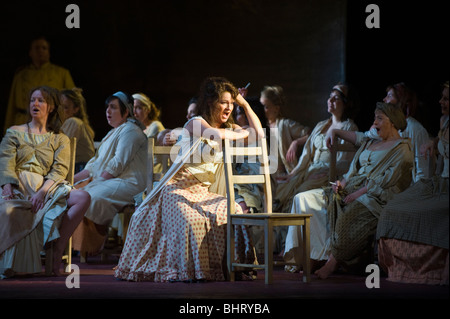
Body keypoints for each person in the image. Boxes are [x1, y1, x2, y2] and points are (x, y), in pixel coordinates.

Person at [114, 77, 265, 282]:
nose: (229, 108)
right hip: (176, 188)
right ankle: (191, 270)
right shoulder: (196, 123)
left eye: (231, 103)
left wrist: (244, 104)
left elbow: (257, 134)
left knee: (233, 210)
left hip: (203, 192)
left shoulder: (228, 129)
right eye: (224, 102)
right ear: (211, 103)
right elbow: (213, 135)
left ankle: (230, 267)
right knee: (189, 219)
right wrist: (239, 134)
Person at [283, 102, 414, 279]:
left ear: (393, 122)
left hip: (373, 196)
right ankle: (311, 256)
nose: (374, 122)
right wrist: (342, 183)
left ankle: (331, 262)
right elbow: (355, 160)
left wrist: (356, 193)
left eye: (380, 119)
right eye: (375, 118)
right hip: (351, 188)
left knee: (348, 215)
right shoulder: (372, 139)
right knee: (303, 198)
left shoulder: (402, 150)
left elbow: (384, 182)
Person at [0, 86, 90, 278]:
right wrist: (8, 186)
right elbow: (5, 161)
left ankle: (58, 249)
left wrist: (42, 192)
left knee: (83, 196)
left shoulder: (59, 139)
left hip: (46, 187)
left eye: (41, 100)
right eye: (33, 100)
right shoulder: (14, 132)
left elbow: (59, 170)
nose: (35, 104)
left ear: (50, 107)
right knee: (8, 209)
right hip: (17, 184)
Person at [376, 81, 449, 285]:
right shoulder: (444, 122)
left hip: (432, 185)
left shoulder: (415, 129)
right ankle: (395, 268)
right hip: (436, 183)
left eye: (446, 98)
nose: (440, 101)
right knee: (391, 209)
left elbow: (422, 172)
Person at [72, 91, 147, 257]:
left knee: (91, 196)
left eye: (113, 107)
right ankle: (82, 246)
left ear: (126, 111)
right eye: (107, 107)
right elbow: (93, 165)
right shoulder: (112, 133)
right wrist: (70, 180)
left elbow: (117, 163)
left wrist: (95, 183)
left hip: (130, 182)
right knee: (77, 194)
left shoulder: (131, 130)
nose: (108, 111)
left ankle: (95, 244)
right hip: (114, 180)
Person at [274, 83, 359, 215]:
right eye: (330, 97)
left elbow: (345, 162)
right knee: (281, 190)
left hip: (327, 173)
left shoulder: (349, 128)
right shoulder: (322, 125)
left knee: (300, 192)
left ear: (346, 103)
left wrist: (327, 173)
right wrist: (293, 173)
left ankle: (292, 231)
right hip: (311, 169)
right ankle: (274, 232)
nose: (330, 101)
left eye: (336, 98)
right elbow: (307, 153)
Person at [4, 36, 75, 133]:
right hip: (23, 121)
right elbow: (11, 106)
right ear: (30, 52)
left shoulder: (61, 73)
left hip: (51, 122)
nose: (40, 51)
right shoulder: (21, 74)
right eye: (37, 48)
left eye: (44, 48)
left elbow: (72, 101)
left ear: (49, 52)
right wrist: (6, 130)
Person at [261, 85, 310, 180]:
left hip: (283, 177)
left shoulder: (285, 124)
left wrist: (296, 142)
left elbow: (312, 134)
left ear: (276, 108)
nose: (263, 110)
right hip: (265, 177)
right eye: (261, 106)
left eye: (266, 107)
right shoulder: (260, 126)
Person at [60, 88, 95, 173]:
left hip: (80, 169)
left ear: (75, 109)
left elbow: (62, 151)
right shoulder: (66, 123)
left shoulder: (73, 122)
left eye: (65, 107)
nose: (60, 110)